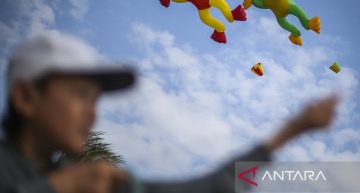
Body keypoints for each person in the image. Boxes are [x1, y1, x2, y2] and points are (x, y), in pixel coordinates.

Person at [0, 33, 338, 193]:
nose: (92, 115)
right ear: (26, 98)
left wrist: (292, 130)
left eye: (96, 100)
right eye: (80, 95)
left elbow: (209, 188)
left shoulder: (94, 184)